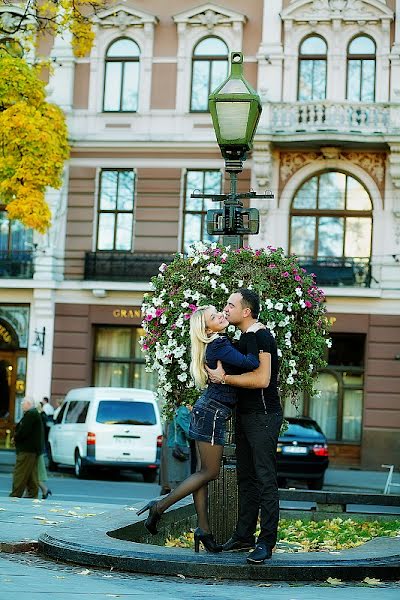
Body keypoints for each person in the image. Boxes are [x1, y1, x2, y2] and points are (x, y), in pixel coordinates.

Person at [137, 305, 263, 553]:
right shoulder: (218, 345)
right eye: (214, 317)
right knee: (209, 473)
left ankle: (203, 530)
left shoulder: (219, 343)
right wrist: (256, 333)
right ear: (207, 329)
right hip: (212, 413)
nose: (221, 315)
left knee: (201, 474)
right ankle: (159, 507)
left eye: (220, 312)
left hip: (207, 411)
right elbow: (252, 362)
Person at [206, 288, 283, 565]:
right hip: (246, 415)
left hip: (264, 416)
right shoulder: (244, 337)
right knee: (246, 478)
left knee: (264, 479)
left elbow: (262, 379)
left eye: (230, 304)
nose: (225, 309)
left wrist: (223, 378)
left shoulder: (261, 336)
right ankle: (243, 537)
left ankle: (266, 543)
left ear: (246, 311)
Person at [10, 397, 44, 499]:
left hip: (27, 449)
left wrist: (15, 438)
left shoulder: (31, 414)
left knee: (20, 472)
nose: (21, 405)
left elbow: (24, 431)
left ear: (28, 404)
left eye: (22, 403)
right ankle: (32, 494)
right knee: (31, 473)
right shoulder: (33, 414)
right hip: (32, 449)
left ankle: (15, 494)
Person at [159, 404, 192, 495]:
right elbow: (190, 432)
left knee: (170, 484)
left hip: (169, 448)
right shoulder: (183, 411)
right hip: (179, 449)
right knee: (179, 484)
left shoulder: (170, 409)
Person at [36, 401, 53, 499]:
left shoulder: (41, 416)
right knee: (32, 472)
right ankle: (44, 489)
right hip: (39, 446)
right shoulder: (41, 416)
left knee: (32, 472)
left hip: (38, 447)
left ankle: (44, 489)